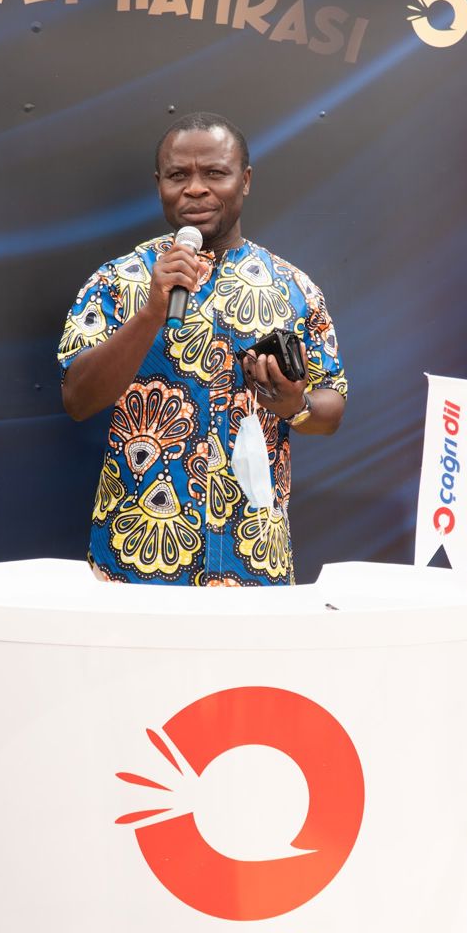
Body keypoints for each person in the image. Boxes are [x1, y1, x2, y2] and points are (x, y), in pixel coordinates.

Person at [59, 111, 346, 585]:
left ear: (245, 180)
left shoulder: (293, 288)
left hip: (254, 558)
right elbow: (78, 399)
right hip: (137, 560)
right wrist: (151, 312)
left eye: (214, 173)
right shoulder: (116, 281)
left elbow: (332, 407)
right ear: (159, 185)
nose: (195, 189)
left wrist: (295, 406)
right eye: (178, 176)